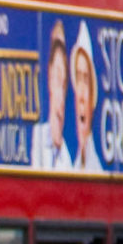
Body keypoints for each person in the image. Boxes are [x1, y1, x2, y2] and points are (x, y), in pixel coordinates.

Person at [31, 22, 73, 173]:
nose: (60, 92)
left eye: (64, 82)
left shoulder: (68, 157)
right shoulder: (36, 136)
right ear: (49, 77)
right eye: (56, 77)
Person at [70, 22, 105, 175]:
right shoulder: (70, 164)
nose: (82, 97)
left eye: (86, 79)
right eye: (78, 78)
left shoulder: (96, 169)